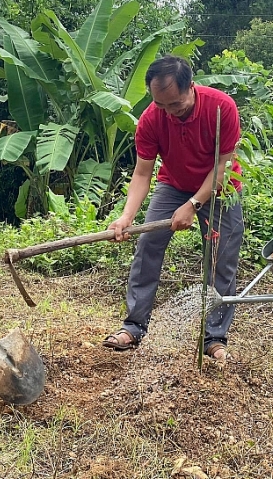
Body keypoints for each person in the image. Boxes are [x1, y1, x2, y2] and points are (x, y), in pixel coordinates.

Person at [102, 55, 244, 361]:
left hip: (221, 188)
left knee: (222, 256)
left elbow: (223, 166)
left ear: (191, 87)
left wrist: (193, 205)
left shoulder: (221, 108)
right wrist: (126, 216)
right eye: (161, 105)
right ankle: (134, 326)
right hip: (174, 184)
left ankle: (214, 337)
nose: (168, 112)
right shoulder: (152, 118)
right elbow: (142, 173)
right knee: (148, 243)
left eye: (175, 104)